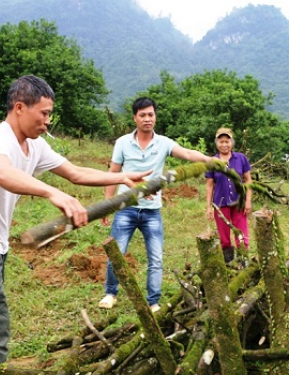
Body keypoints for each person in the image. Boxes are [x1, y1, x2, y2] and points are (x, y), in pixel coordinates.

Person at [0, 75, 151, 375]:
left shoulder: (35, 146)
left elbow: (76, 173)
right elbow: (0, 172)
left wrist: (123, 176)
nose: (47, 121)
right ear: (19, 108)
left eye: (49, 113)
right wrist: (52, 194)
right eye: (43, 113)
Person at [99, 97, 214, 310]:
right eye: (142, 115)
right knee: (117, 253)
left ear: (155, 117)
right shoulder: (123, 142)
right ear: (135, 118)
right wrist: (108, 203)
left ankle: (153, 301)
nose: (147, 119)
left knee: (156, 257)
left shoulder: (164, 143)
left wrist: (210, 160)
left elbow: (188, 154)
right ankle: (110, 293)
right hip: (126, 207)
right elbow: (113, 173)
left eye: (150, 114)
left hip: (152, 211)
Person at [205, 127, 252, 263]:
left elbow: (248, 179)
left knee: (242, 235)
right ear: (216, 143)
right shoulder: (212, 161)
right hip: (220, 203)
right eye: (221, 142)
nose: (224, 145)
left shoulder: (241, 158)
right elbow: (209, 185)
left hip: (239, 203)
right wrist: (208, 207)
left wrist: (248, 200)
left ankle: (244, 263)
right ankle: (229, 265)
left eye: (227, 141)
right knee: (224, 238)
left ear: (232, 142)